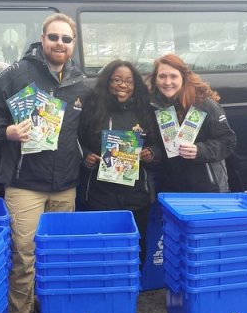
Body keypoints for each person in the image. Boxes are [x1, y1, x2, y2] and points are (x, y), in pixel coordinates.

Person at [0, 13, 89, 313]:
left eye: (66, 39)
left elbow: (93, 128)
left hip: (65, 184)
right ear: (43, 39)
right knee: (24, 259)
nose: (60, 44)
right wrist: (6, 131)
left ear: (73, 44)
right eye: (54, 37)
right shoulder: (17, 73)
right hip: (26, 184)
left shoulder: (79, 82)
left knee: (56, 258)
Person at [78, 60, 161, 265]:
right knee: (102, 247)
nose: (123, 85)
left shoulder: (146, 111)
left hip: (136, 195)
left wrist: (151, 153)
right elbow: (77, 140)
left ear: (136, 85)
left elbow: (160, 146)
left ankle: (132, 289)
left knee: (134, 247)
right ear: (107, 82)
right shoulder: (92, 108)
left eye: (128, 81)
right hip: (99, 194)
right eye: (116, 80)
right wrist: (86, 157)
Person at [147, 54, 237, 193]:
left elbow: (227, 141)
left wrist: (200, 150)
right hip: (172, 187)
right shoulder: (155, 106)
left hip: (207, 187)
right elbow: (159, 146)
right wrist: (152, 153)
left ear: (183, 77)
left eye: (173, 76)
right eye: (162, 76)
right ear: (155, 78)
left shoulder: (203, 104)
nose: (167, 82)